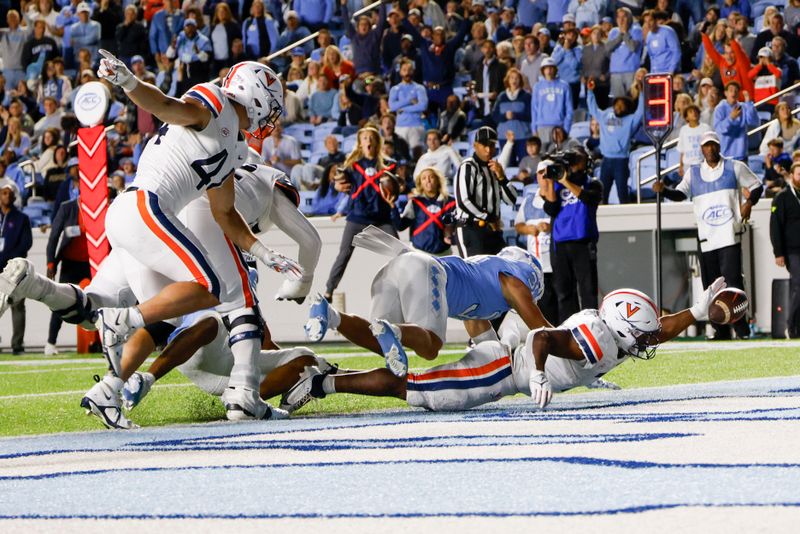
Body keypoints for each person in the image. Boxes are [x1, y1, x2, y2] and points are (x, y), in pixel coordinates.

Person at [0, 59, 302, 428]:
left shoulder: (235, 147)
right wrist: (129, 82)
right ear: (255, 95)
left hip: (137, 216)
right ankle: (127, 322)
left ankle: (102, 379)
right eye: (271, 104)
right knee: (210, 287)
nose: (271, 117)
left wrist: (264, 252)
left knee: (148, 311)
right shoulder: (216, 103)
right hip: (146, 207)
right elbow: (165, 106)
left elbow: (225, 213)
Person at [284, 280, 726, 413]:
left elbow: (656, 329)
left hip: (507, 347)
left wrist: (697, 312)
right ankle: (325, 382)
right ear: (626, 328)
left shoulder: (608, 327)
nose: (650, 341)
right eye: (643, 336)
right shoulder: (594, 341)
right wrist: (535, 372)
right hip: (503, 370)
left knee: (448, 337)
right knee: (413, 388)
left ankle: (454, 284)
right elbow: (545, 337)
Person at [306, 235, 547, 377]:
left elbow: (490, 351)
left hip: (398, 266)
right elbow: (546, 332)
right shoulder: (514, 282)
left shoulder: (483, 284)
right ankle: (395, 330)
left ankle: (331, 315)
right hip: (426, 269)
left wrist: (507, 362)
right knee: (430, 347)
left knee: (380, 341)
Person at [653, 131, 763, 340]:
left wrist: (749, 203)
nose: (710, 149)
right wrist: (663, 190)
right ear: (701, 149)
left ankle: (742, 331)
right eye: (706, 146)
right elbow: (679, 195)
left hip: (730, 235)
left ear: (719, 147)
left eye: (713, 145)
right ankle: (720, 331)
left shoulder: (734, 167)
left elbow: (757, 186)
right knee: (710, 287)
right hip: (706, 238)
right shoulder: (693, 173)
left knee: (733, 284)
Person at [322, 125, 398, 301]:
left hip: (381, 217)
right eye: (365, 138)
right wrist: (337, 185)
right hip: (357, 216)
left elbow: (398, 186)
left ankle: (402, 285)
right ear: (360, 143)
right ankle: (329, 289)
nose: (368, 141)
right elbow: (338, 182)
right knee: (344, 254)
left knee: (400, 252)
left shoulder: (387, 165)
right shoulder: (352, 165)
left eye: (372, 138)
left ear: (377, 142)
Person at [540, 146, 601, 322]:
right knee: (564, 292)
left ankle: (591, 328)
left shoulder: (593, 183)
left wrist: (565, 181)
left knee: (588, 291)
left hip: (583, 242)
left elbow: (590, 198)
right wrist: (552, 182)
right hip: (560, 244)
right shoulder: (557, 185)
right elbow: (551, 208)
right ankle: (569, 330)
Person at [452, 126, 517, 257]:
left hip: (493, 231)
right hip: (471, 229)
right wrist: (488, 218)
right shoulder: (468, 166)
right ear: (475, 145)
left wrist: (502, 177)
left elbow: (511, 200)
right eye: (484, 145)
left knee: (501, 273)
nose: (488, 150)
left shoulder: (495, 168)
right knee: (474, 274)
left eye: (492, 145)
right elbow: (464, 201)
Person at [44, 195, 90, 356]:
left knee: (102, 301)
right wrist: (51, 262)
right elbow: (54, 237)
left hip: (93, 264)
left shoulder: (102, 208)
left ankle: (103, 342)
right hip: (70, 263)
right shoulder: (67, 207)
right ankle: (50, 343)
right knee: (61, 303)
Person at [586, 79, 643, 204]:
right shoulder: (605, 115)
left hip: (621, 162)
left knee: (622, 193)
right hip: (606, 160)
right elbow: (593, 109)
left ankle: (627, 221)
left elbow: (640, 112)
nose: (618, 107)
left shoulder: (630, 121)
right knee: (602, 193)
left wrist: (642, 93)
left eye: (622, 105)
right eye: (617, 104)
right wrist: (590, 91)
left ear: (626, 108)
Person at [515, 161, 558, 324]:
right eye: (541, 173)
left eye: (548, 173)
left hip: (557, 263)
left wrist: (551, 226)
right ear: (537, 177)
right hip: (538, 265)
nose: (545, 177)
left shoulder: (560, 198)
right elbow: (518, 225)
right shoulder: (529, 200)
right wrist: (529, 229)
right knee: (544, 308)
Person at [393, 167, 455, 255]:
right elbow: (400, 226)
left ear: (438, 180)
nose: (428, 180)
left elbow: (456, 225)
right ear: (420, 183)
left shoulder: (450, 202)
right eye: (424, 178)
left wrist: (450, 234)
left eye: (431, 177)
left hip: (443, 254)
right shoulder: (415, 202)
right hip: (418, 253)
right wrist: (392, 206)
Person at [0, 184, 31, 355]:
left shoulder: (21, 218)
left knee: (17, 305)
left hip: (14, 270)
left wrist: (10, 261)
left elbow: (26, 243)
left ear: (14, 197)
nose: (7, 196)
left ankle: (17, 345)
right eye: (3, 193)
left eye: (10, 194)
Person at [770, 163, 800, 339]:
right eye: (798, 174)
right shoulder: (782, 198)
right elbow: (775, 227)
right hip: (793, 251)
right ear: (791, 175)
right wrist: (778, 252)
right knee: (798, 286)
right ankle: (793, 326)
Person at [491, 67, 532, 165]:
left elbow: (531, 115)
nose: (514, 80)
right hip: (504, 137)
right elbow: (495, 116)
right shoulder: (501, 96)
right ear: (508, 80)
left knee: (523, 164)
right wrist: (505, 116)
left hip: (522, 137)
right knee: (508, 165)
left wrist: (515, 115)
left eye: (516, 78)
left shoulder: (526, 96)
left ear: (520, 81)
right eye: (512, 78)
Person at [530, 57, 573, 148]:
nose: (549, 70)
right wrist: (534, 129)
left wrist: (565, 129)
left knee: (558, 156)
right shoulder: (537, 87)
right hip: (542, 127)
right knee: (543, 157)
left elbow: (569, 109)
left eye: (551, 67)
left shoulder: (564, 86)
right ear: (543, 70)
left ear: (555, 69)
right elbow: (534, 109)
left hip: (559, 126)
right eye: (546, 68)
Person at [388, 58, 428, 154]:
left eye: (409, 70)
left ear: (413, 71)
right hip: (400, 127)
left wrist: (402, 108)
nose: (407, 73)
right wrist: (410, 100)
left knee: (417, 154)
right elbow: (392, 106)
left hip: (416, 125)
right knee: (400, 154)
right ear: (400, 72)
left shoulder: (419, 88)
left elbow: (423, 106)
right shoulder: (395, 89)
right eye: (404, 70)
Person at [713, 81, 758, 162]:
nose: (733, 93)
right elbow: (719, 129)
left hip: (742, 155)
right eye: (731, 90)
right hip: (725, 156)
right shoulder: (719, 108)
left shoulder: (744, 106)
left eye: (736, 91)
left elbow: (753, 122)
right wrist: (731, 118)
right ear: (725, 93)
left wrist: (748, 102)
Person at [607, 7, 642, 98]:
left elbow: (633, 47)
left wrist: (625, 33)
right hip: (615, 72)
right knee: (618, 102)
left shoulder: (637, 30)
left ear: (630, 18)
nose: (621, 20)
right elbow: (608, 48)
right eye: (619, 17)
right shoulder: (613, 31)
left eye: (624, 17)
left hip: (631, 71)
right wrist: (620, 35)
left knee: (633, 99)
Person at [676, 104, 711, 176]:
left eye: (695, 111)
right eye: (691, 112)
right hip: (688, 165)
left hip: (702, 163)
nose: (694, 113)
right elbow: (682, 149)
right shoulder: (684, 130)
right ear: (686, 117)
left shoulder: (706, 128)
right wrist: (681, 166)